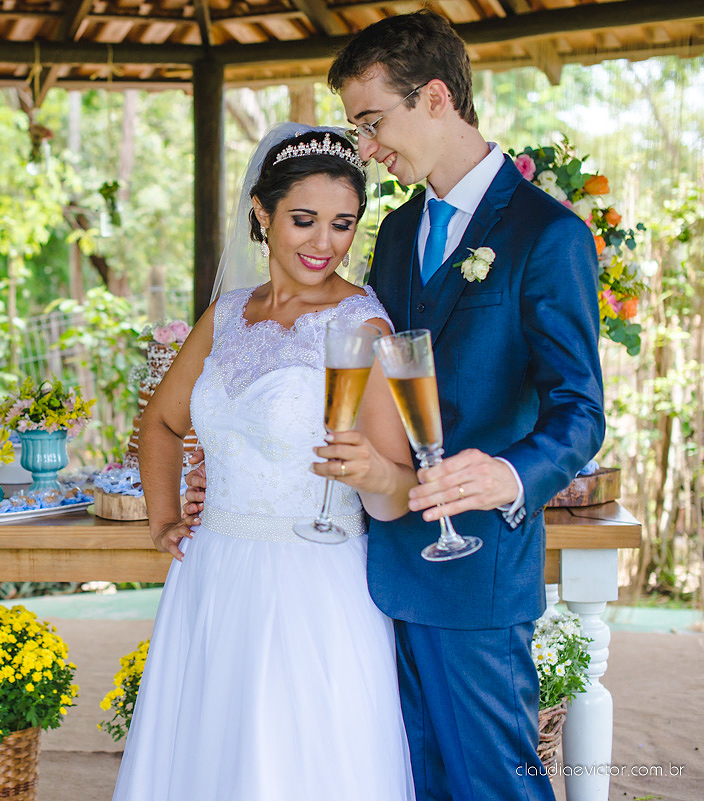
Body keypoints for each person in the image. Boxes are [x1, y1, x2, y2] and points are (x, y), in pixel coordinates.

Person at [186, 11, 605, 801]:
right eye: (358, 128)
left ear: (438, 98)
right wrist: (242, 464)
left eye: (374, 123)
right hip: (372, 573)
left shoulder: (549, 237)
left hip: (475, 571)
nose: (368, 149)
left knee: (495, 785)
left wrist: (510, 476)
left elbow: (581, 410)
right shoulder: (401, 227)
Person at [111, 125, 418, 801]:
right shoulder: (224, 316)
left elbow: (395, 493)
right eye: (303, 220)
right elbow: (161, 423)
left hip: (313, 585)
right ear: (262, 211)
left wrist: (373, 476)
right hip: (212, 577)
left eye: (342, 224)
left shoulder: (364, 326)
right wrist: (165, 518)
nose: (324, 243)